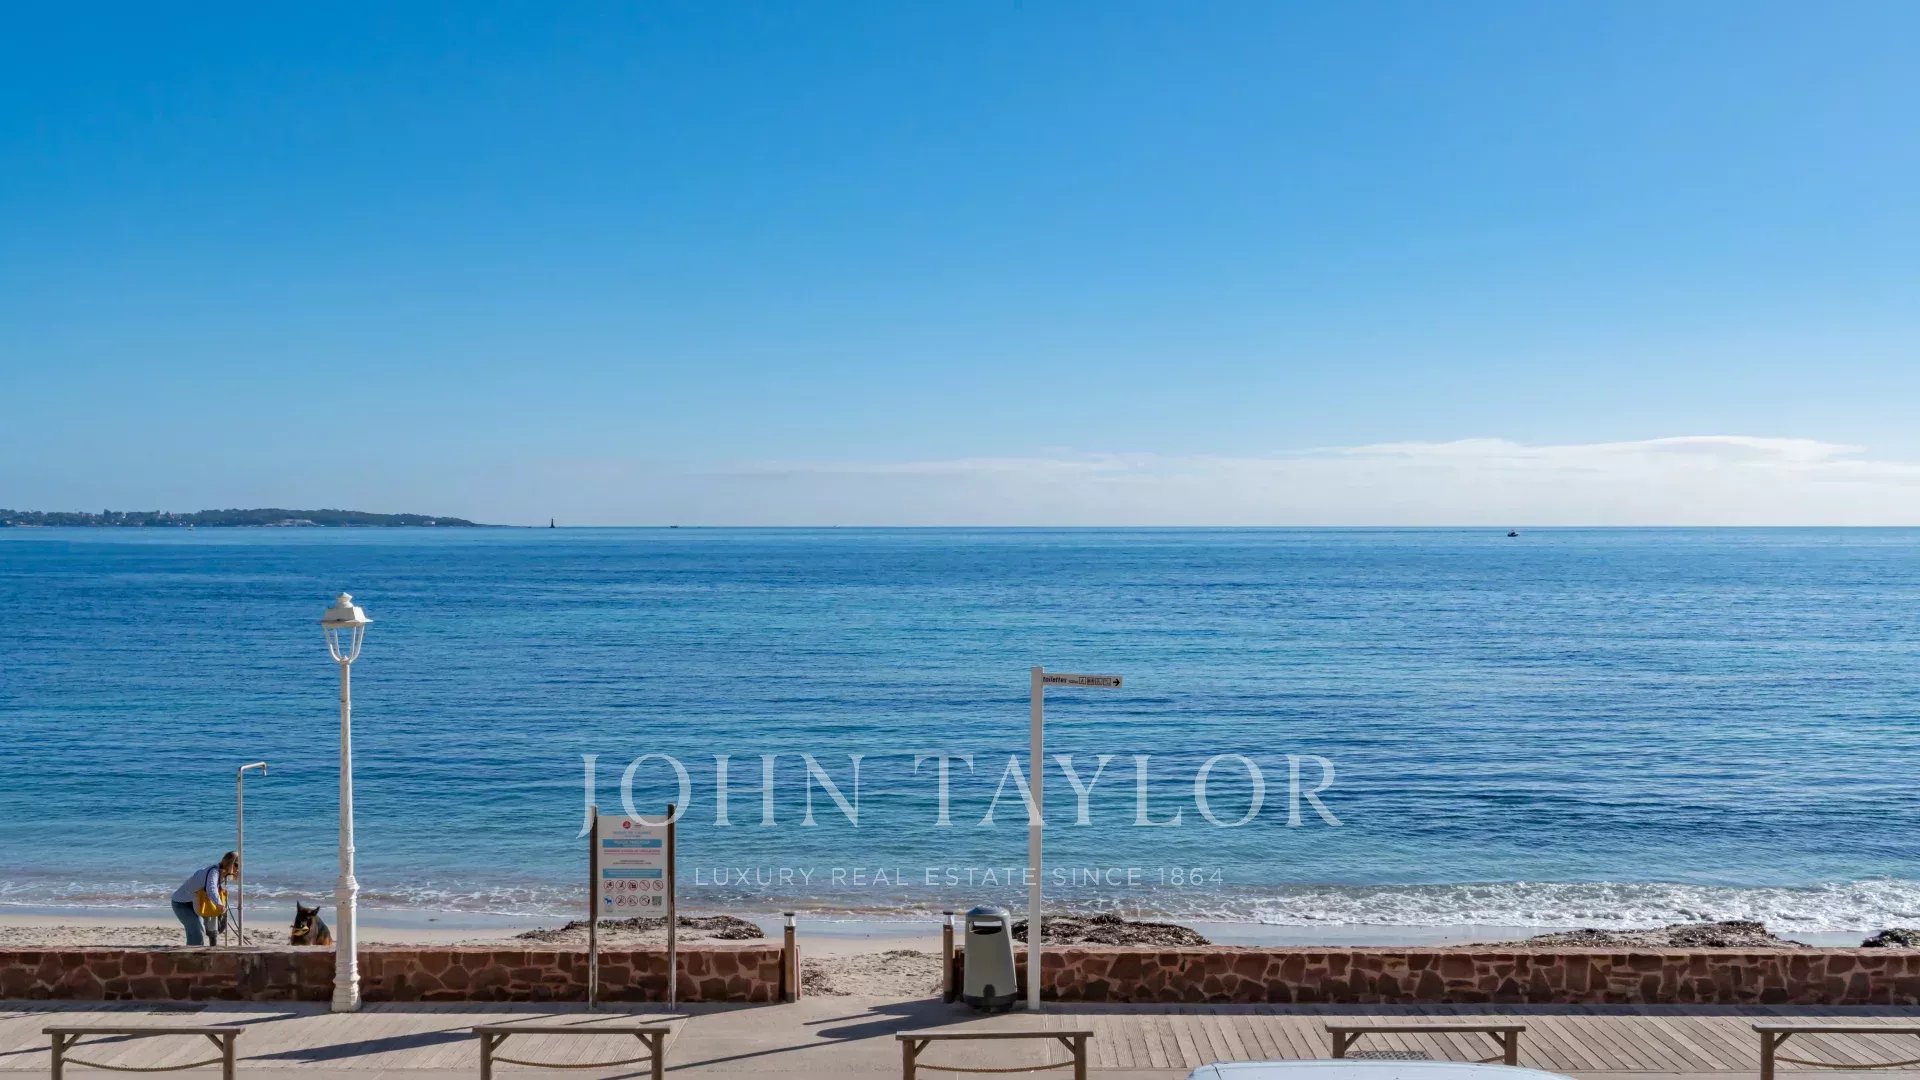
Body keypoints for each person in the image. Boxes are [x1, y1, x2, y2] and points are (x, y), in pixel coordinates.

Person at [170, 852, 237, 946]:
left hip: (195, 902)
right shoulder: (214, 872)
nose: (239, 868)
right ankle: (195, 953)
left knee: (200, 930)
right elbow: (211, 889)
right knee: (197, 932)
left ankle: (200, 950)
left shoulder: (221, 873)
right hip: (181, 903)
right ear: (230, 864)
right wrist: (219, 903)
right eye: (237, 865)